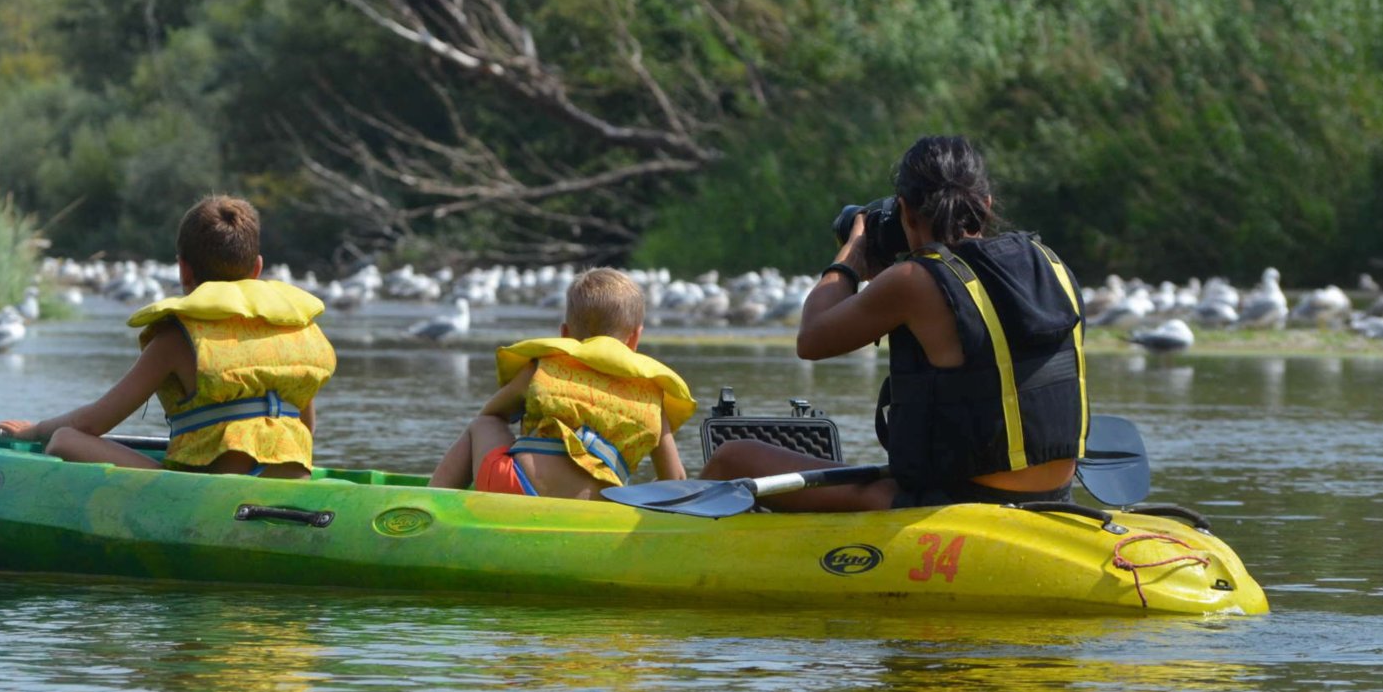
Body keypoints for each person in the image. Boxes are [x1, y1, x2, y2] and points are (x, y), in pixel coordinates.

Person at [704, 135, 1088, 510]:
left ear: (905, 210)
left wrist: (852, 254)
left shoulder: (914, 280)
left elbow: (812, 338)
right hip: (1053, 493)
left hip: (958, 500)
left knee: (732, 459)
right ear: (986, 205)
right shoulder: (1049, 262)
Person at [0, 195, 336, 476]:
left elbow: (91, 422)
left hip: (214, 490)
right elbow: (306, 428)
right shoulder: (291, 328)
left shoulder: (176, 338)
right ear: (258, 268)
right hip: (291, 480)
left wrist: (34, 430)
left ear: (183, 269)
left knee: (64, 439)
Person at [429, 268, 694, 500]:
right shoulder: (652, 392)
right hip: (599, 507)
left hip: (518, 489)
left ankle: (429, 502)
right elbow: (675, 479)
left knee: (482, 426)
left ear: (565, 334)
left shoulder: (543, 367)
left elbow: (491, 415)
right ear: (635, 338)